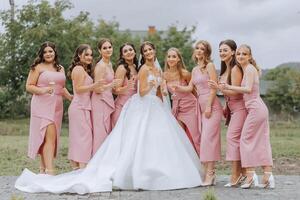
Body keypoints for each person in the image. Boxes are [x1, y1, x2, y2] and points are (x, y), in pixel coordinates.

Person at [15, 41, 203, 194]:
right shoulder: (142, 69)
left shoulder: (150, 69)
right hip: (135, 103)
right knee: (121, 139)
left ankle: (154, 172)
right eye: (144, 51)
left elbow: (159, 91)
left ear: (153, 51)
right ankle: (59, 170)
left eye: (149, 50)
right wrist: (142, 85)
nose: (147, 53)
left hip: (151, 106)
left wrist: (161, 90)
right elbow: (138, 91)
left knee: (151, 140)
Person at [216, 44, 274, 189]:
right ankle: (268, 176)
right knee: (261, 140)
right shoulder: (247, 69)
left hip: (255, 108)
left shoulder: (249, 69)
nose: (240, 56)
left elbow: (247, 90)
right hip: (257, 108)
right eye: (239, 54)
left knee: (245, 140)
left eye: (244, 54)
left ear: (249, 56)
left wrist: (227, 87)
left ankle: (250, 174)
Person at [176, 40, 222, 186]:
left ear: (207, 52)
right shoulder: (195, 69)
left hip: (212, 106)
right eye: (197, 48)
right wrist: (175, 87)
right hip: (200, 108)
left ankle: (210, 173)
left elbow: (214, 88)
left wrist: (208, 106)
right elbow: (190, 88)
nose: (199, 50)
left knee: (208, 139)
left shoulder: (210, 66)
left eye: (202, 49)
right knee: (205, 140)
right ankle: (208, 172)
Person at [25, 41, 72, 175]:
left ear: (54, 52)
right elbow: (29, 86)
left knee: (49, 138)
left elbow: (61, 88)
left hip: (57, 105)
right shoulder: (37, 67)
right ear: (42, 54)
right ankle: (50, 171)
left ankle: (43, 171)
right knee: (49, 137)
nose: (48, 54)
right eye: (45, 52)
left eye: (50, 51)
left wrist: (71, 98)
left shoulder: (60, 68)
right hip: (42, 105)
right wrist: (44, 90)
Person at [208, 39, 247, 187]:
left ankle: (235, 175)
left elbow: (237, 93)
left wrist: (218, 87)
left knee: (232, 139)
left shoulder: (236, 69)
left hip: (240, 109)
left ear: (233, 51)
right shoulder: (225, 70)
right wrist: (226, 107)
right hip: (232, 109)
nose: (222, 53)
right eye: (220, 50)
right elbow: (228, 95)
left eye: (225, 50)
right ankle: (243, 174)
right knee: (236, 141)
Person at [68, 44, 103, 169]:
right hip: (79, 108)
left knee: (82, 139)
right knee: (83, 139)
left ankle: (78, 169)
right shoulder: (78, 69)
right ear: (79, 55)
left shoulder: (84, 70)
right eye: (86, 54)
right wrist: (93, 86)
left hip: (85, 107)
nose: (89, 57)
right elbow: (78, 89)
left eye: (91, 55)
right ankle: (81, 168)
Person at [163, 47, 200, 155]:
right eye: (169, 56)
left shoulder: (185, 73)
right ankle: (187, 163)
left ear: (178, 59)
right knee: (180, 137)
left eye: (174, 56)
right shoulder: (164, 75)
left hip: (190, 106)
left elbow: (193, 90)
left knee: (195, 136)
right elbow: (164, 91)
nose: (171, 59)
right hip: (176, 108)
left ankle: (202, 164)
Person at [91, 38, 121, 154]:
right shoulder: (101, 66)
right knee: (100, 132)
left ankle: (104, 160)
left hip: (107, 100)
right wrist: (111, 85)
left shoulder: (109, 64)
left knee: (106, 131)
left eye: (109, 47)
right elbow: (97, 89)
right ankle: (97, 163)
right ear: (99, 51)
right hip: (100, 101)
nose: (108, 50)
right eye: (104, 48)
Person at [111, 43, 138, 127]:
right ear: (122, 55)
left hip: (133, 107)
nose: (129, 52)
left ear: (135, 52)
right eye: (125, 51)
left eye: (130, 50)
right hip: (122, 108)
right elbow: (114, 90)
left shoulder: (136, 67)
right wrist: (127, 87)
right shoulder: (121, 68)